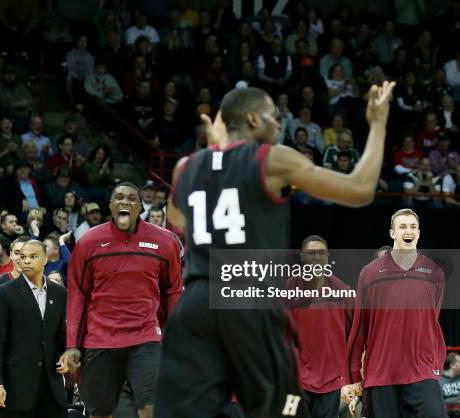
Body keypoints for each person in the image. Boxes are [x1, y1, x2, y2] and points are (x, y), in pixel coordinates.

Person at [157, 81, 395, 418]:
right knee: (285, 410)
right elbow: (359, 189)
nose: (279, 123)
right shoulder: (271, 159)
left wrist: (214, 162)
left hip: (196, 304)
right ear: (253, 119)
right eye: (273, 116)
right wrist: (379, 123)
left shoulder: (186, 167)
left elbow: (177, 216)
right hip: (248, 302)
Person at [59, 183, 183, 418]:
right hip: (100, 339)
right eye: (118, 198)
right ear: (111, 205)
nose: (124, 202)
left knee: (153, 409)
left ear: (139, 207)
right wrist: (72, 344)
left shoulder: (165, 242)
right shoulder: (88, 242)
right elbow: (78, 294)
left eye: (131, 199)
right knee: (100, 412)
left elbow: (173, 290)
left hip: (146, 336)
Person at [343, 208, 447, 418]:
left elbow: (431, 322)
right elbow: (359, 327)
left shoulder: (435, 272)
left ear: (418, 232)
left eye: (413, 227)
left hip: (423, 372)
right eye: (402, 226)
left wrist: (435, 363)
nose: (408, 231)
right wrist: (352, 376)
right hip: (381, 375)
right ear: (392, 233)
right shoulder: (370, 272)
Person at [0, 240, 67, 418]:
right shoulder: (3, 293)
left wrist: (67, 353)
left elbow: (61, 335)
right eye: (23, 257)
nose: (26, 261)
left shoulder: (60, 293)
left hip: (51, 386)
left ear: (45, 259)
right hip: (16, 388)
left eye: (33, 257)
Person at [285, 235, 353, 418]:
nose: (316, 258)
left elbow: (357, 331)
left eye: (321, 253)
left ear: (328, 256)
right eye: (310, 253)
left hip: (330, 381)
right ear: (301, 257)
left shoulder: (342, 291)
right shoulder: (288, 290)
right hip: (295, 379)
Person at [0, 235, 29, 311]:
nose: (21, 257)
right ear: (11, 255)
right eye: (17, 253)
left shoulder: (45, 285)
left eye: (26, 253)